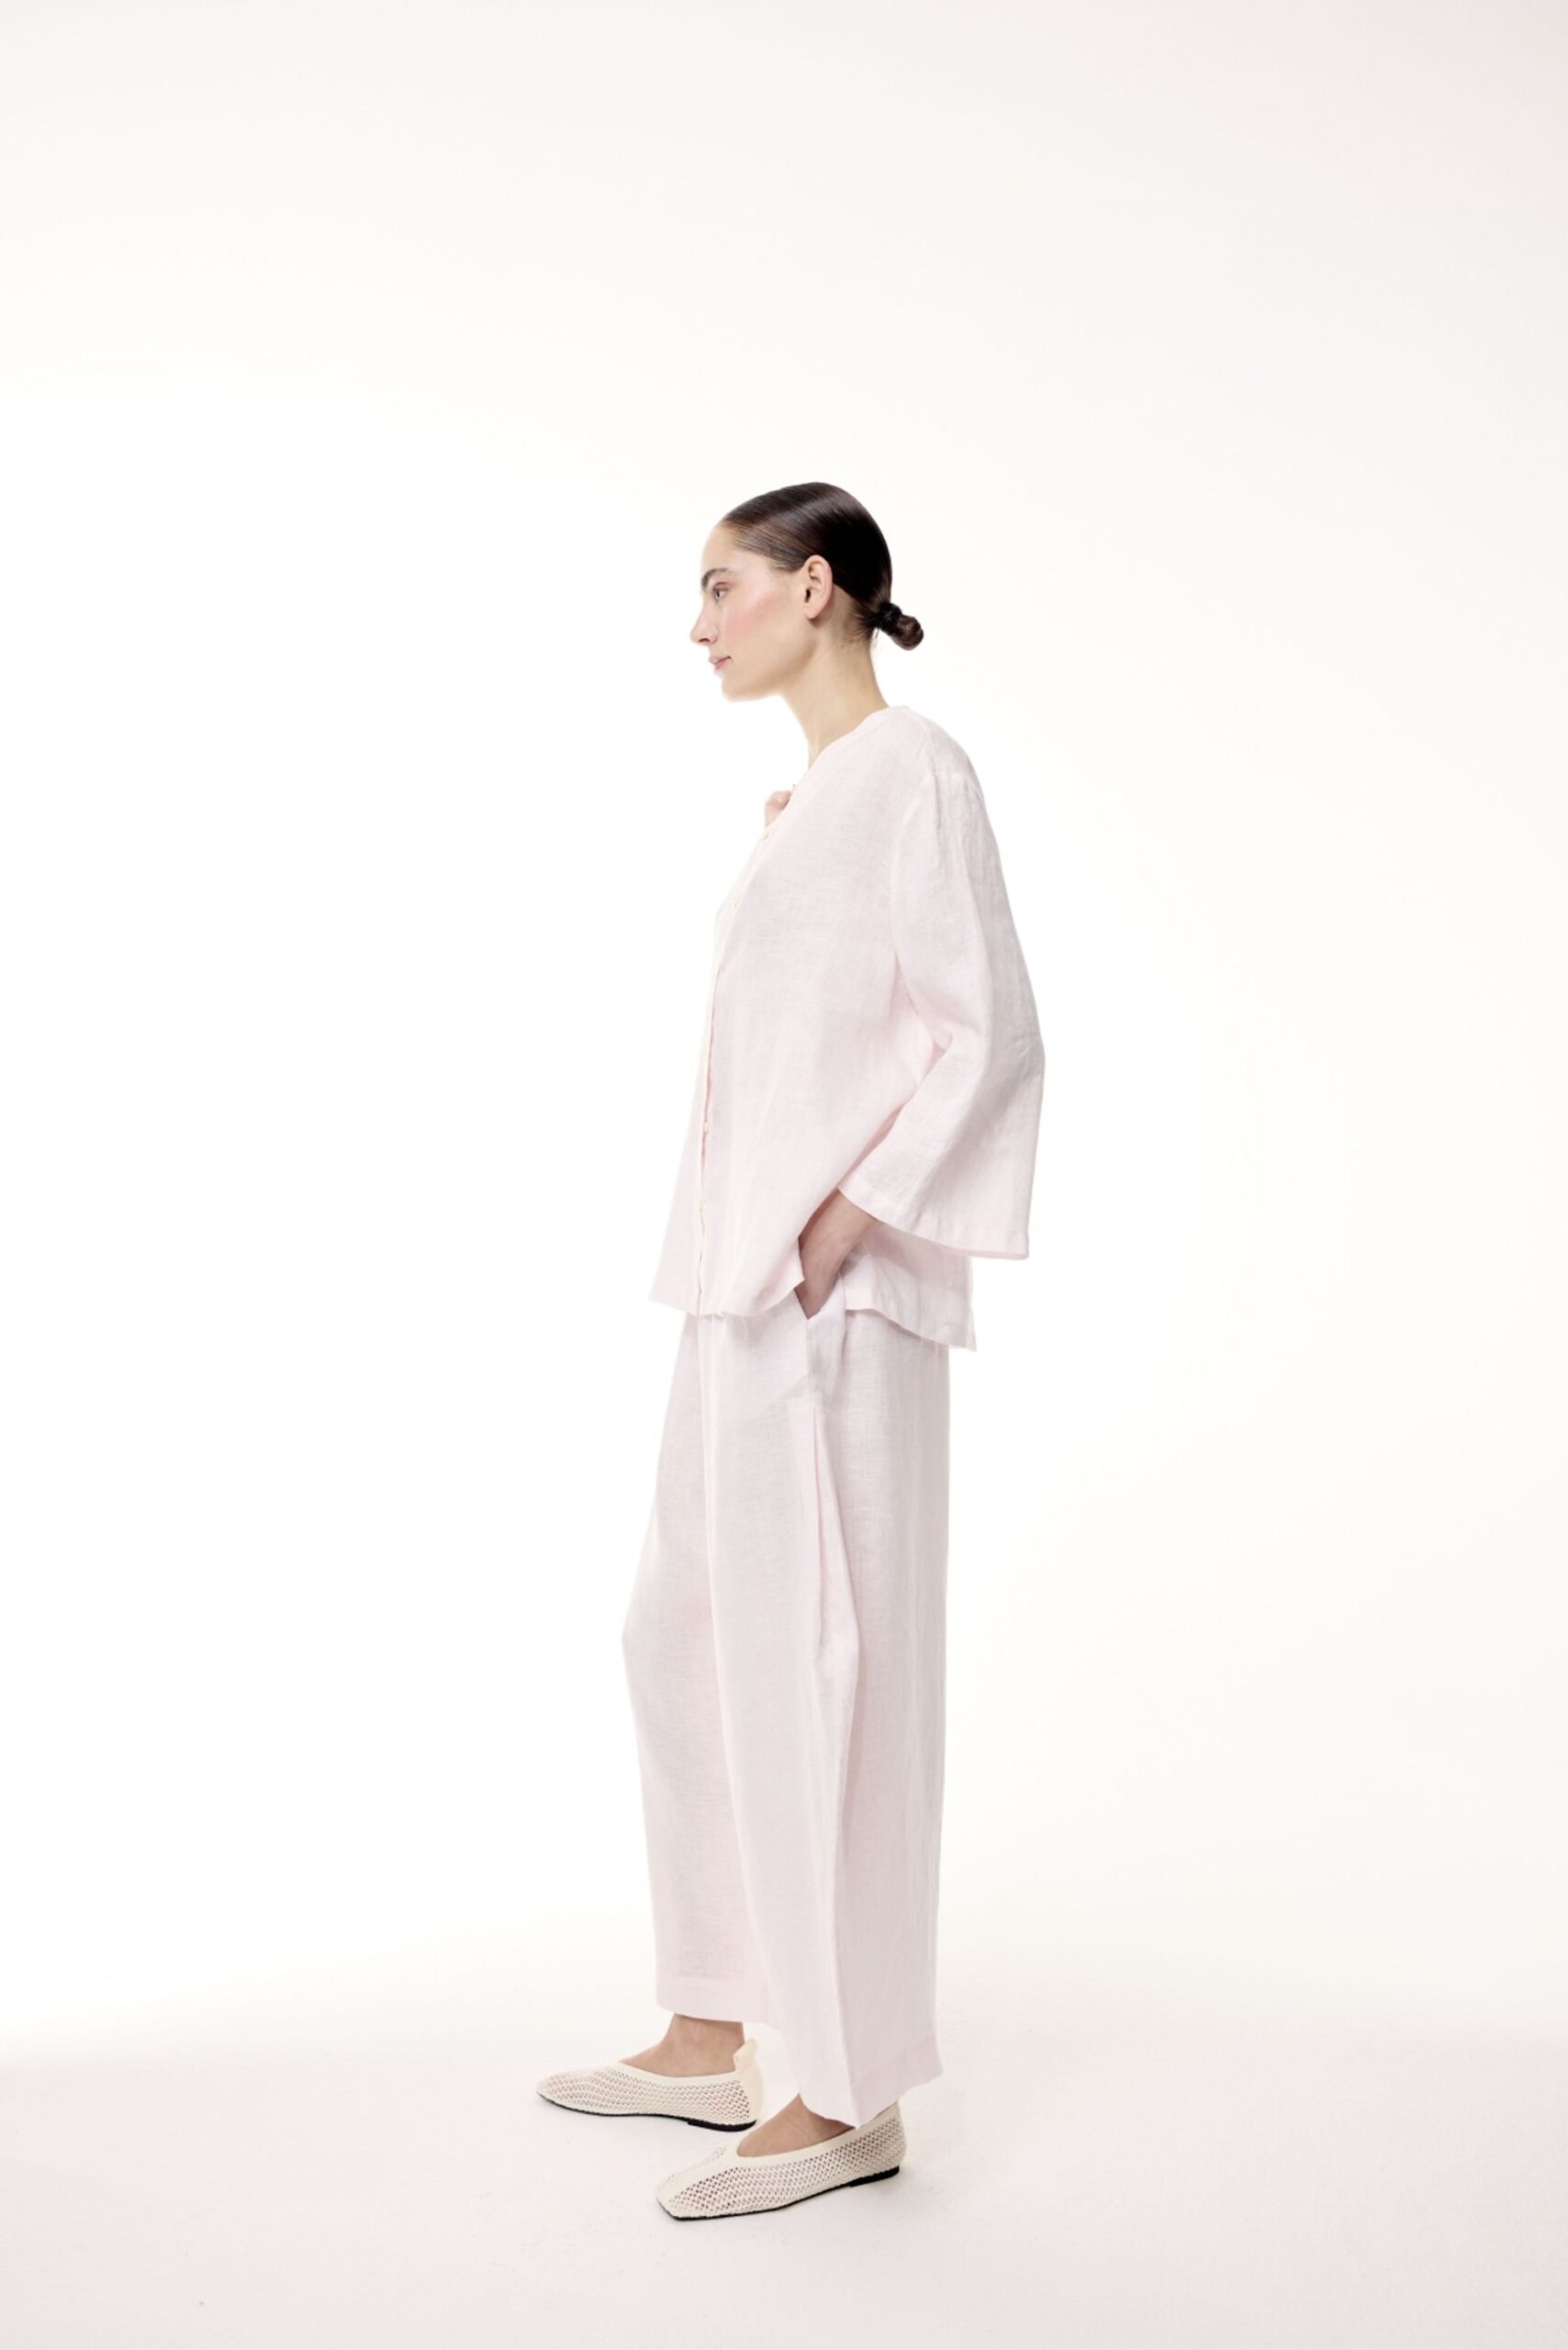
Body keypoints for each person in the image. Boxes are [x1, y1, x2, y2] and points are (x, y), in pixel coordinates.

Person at [537, 481, 1047, 2221]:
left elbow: (993, 1032)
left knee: (828, 1669)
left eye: (722, 588)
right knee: (684, 1635)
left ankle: (846, 2092)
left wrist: (847, 1219)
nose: (698, 625)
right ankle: (715, 2023)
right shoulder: (821, 795)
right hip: (735, 1292)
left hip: (830, 1299)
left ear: (814, 588)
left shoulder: (915, 773)